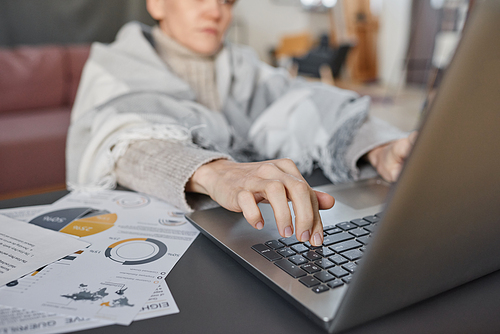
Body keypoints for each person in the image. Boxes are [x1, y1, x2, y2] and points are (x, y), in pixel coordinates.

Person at [66, 0, 415, 248]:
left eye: (227, 0)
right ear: (156, 4)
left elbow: (306, 103)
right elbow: (122, 140)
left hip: (244, 237)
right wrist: (217, 173)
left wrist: (378, 148)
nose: (216, 11)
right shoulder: (114, 66)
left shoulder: (244, 67)